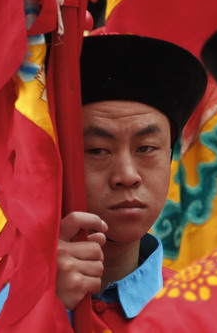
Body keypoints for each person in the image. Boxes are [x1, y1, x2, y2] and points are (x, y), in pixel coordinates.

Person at [56, 33, 207, 331]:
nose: (126, 175)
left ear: (170, 155)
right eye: (98, 150)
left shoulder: (203, 314)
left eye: (146, 148)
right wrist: (45, 310)